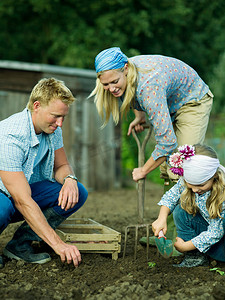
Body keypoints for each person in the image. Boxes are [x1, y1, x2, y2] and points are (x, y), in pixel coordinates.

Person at [0, 78, 88, 269]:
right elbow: (21, 200)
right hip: (7, 196)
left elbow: (61, 165)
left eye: (63, 117)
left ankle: (20, 246)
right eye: (56, 116)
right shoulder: (10, 136)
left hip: (24, 193)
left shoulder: (52, 130)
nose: (60, 123)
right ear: (37, 106)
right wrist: (58, 244)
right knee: (3, 208)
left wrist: (70, 179)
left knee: (77, 192)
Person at [90, 47, 213, 183]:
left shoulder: (149, 87)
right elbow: (132, 91)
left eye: (114, 82)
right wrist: (140, 116)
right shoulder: (125, 73)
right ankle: (171, 204)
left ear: (125, 69)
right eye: (105, 84)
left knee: (182, 164)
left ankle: (211, 198)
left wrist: (143, 170)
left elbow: (167, 143)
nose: (111, 89)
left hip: (192, 99)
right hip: (171, 101)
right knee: (167, 167)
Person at [152, 144, 225, 267]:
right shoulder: (190, 178)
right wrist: (162, 218)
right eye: (191, 185)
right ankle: (195, 256)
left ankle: (209, 254)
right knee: (181, 209)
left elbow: (216, 232)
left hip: (222, 241)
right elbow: (172, 195)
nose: (195, 190)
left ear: (214, 177)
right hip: (209, 234)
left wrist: (186, 246)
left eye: (201, 185)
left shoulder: (222, 192)